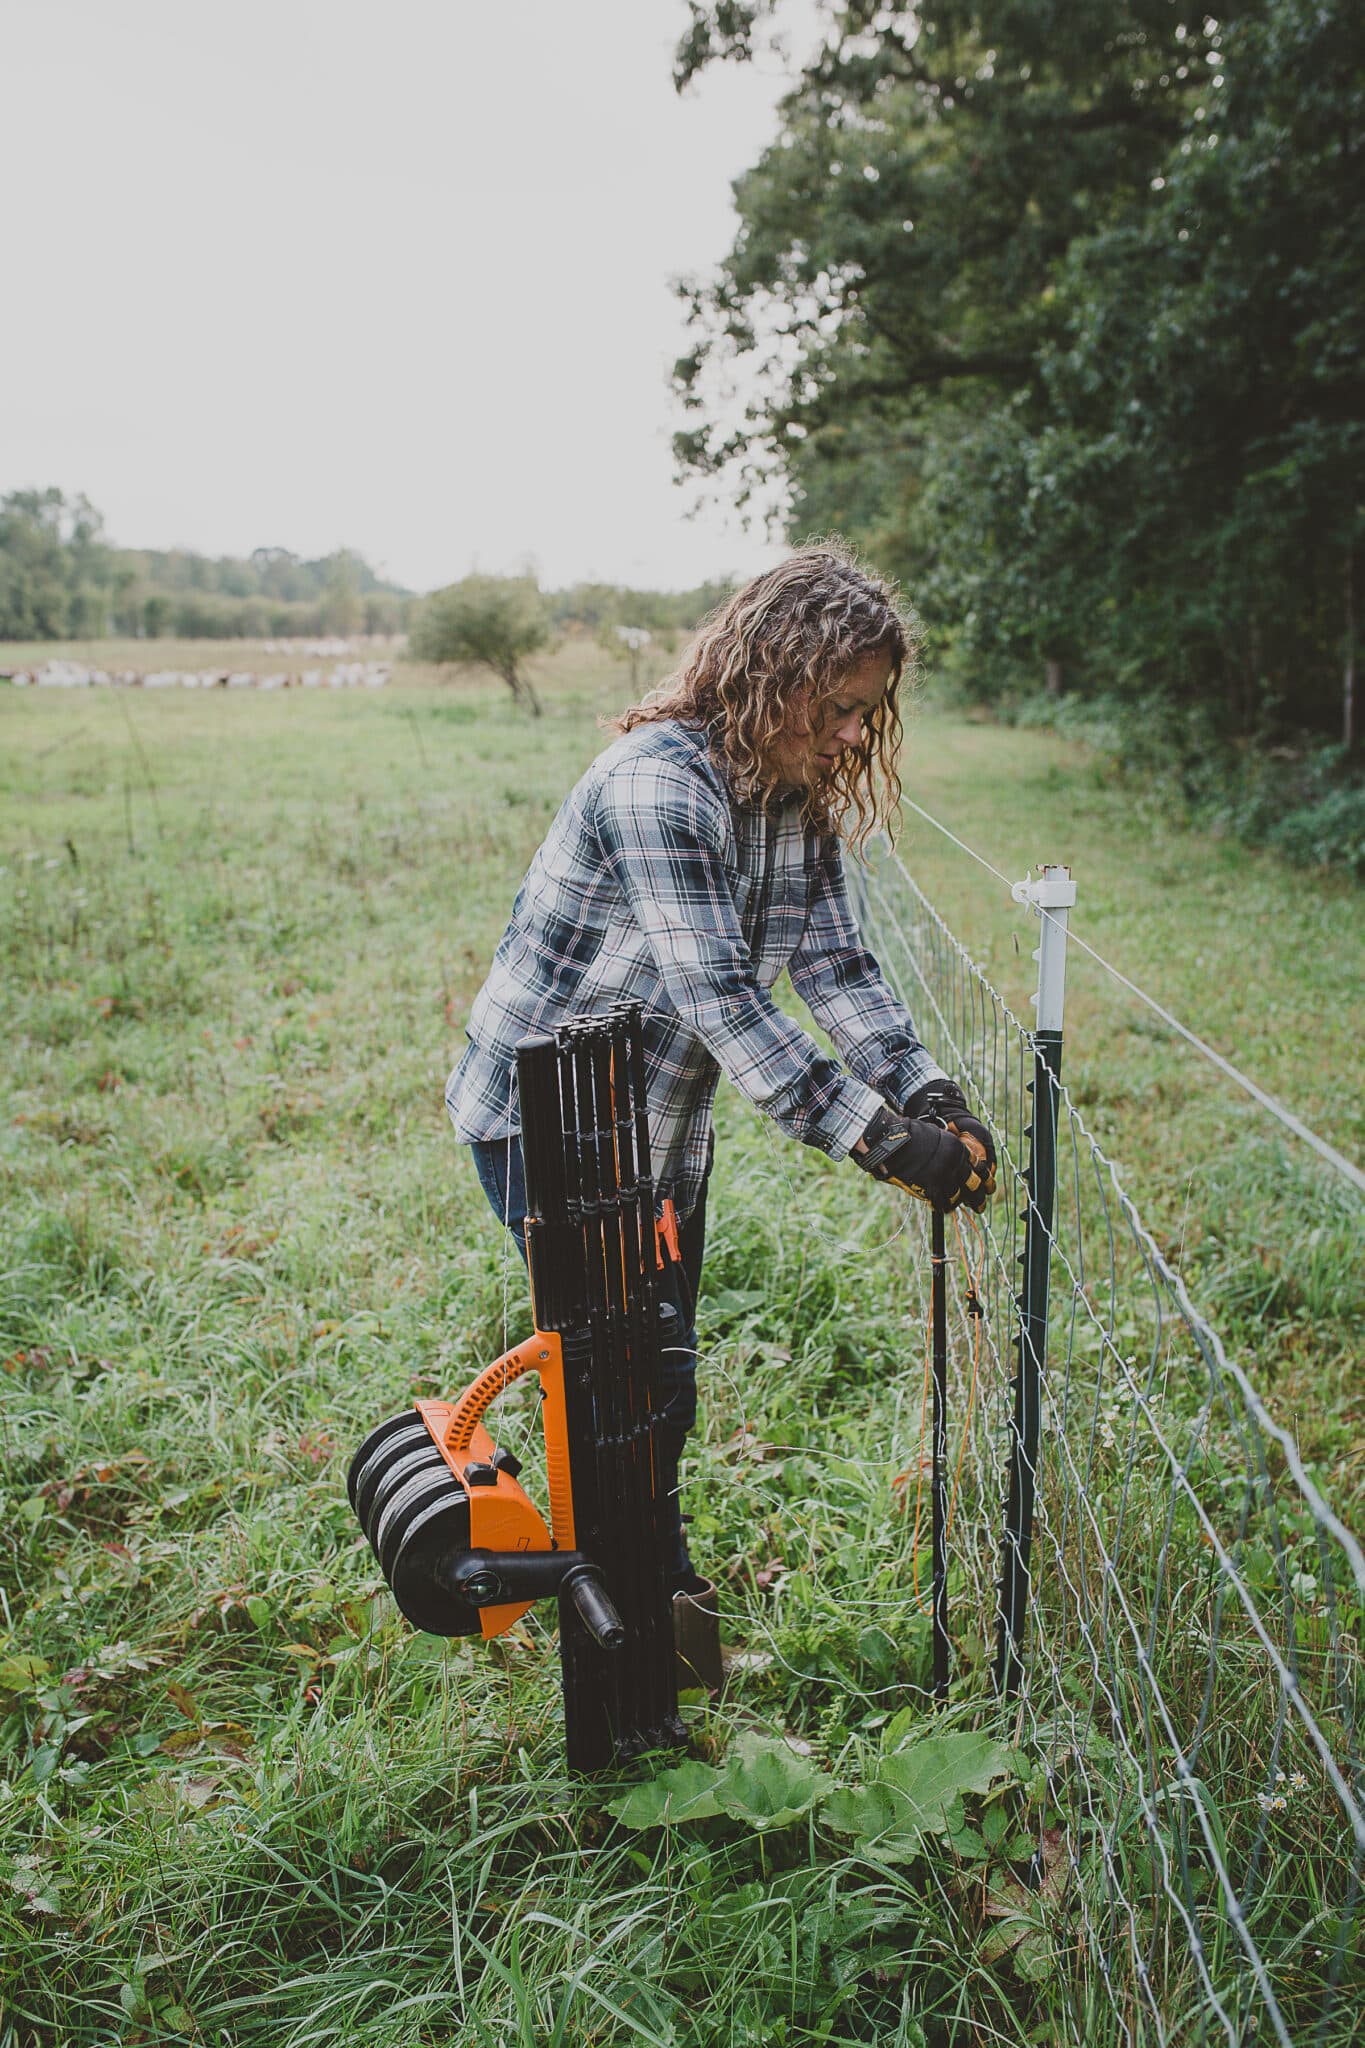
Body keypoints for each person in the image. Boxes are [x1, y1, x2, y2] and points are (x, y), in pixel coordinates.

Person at [446, 543, 995, 1685]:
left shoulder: (791, 799)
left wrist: (923, 1086)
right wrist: (888, 1143)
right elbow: (727, 1001)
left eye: (869, 713)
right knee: (630, 1381)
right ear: (775, 672)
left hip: (655, 1131)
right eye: (840, 706)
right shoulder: (658, 783)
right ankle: (636, 1647)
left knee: (655, 1375)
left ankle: (649, 1610)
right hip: (547, 1123)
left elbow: (837, 961)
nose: (854, 735)